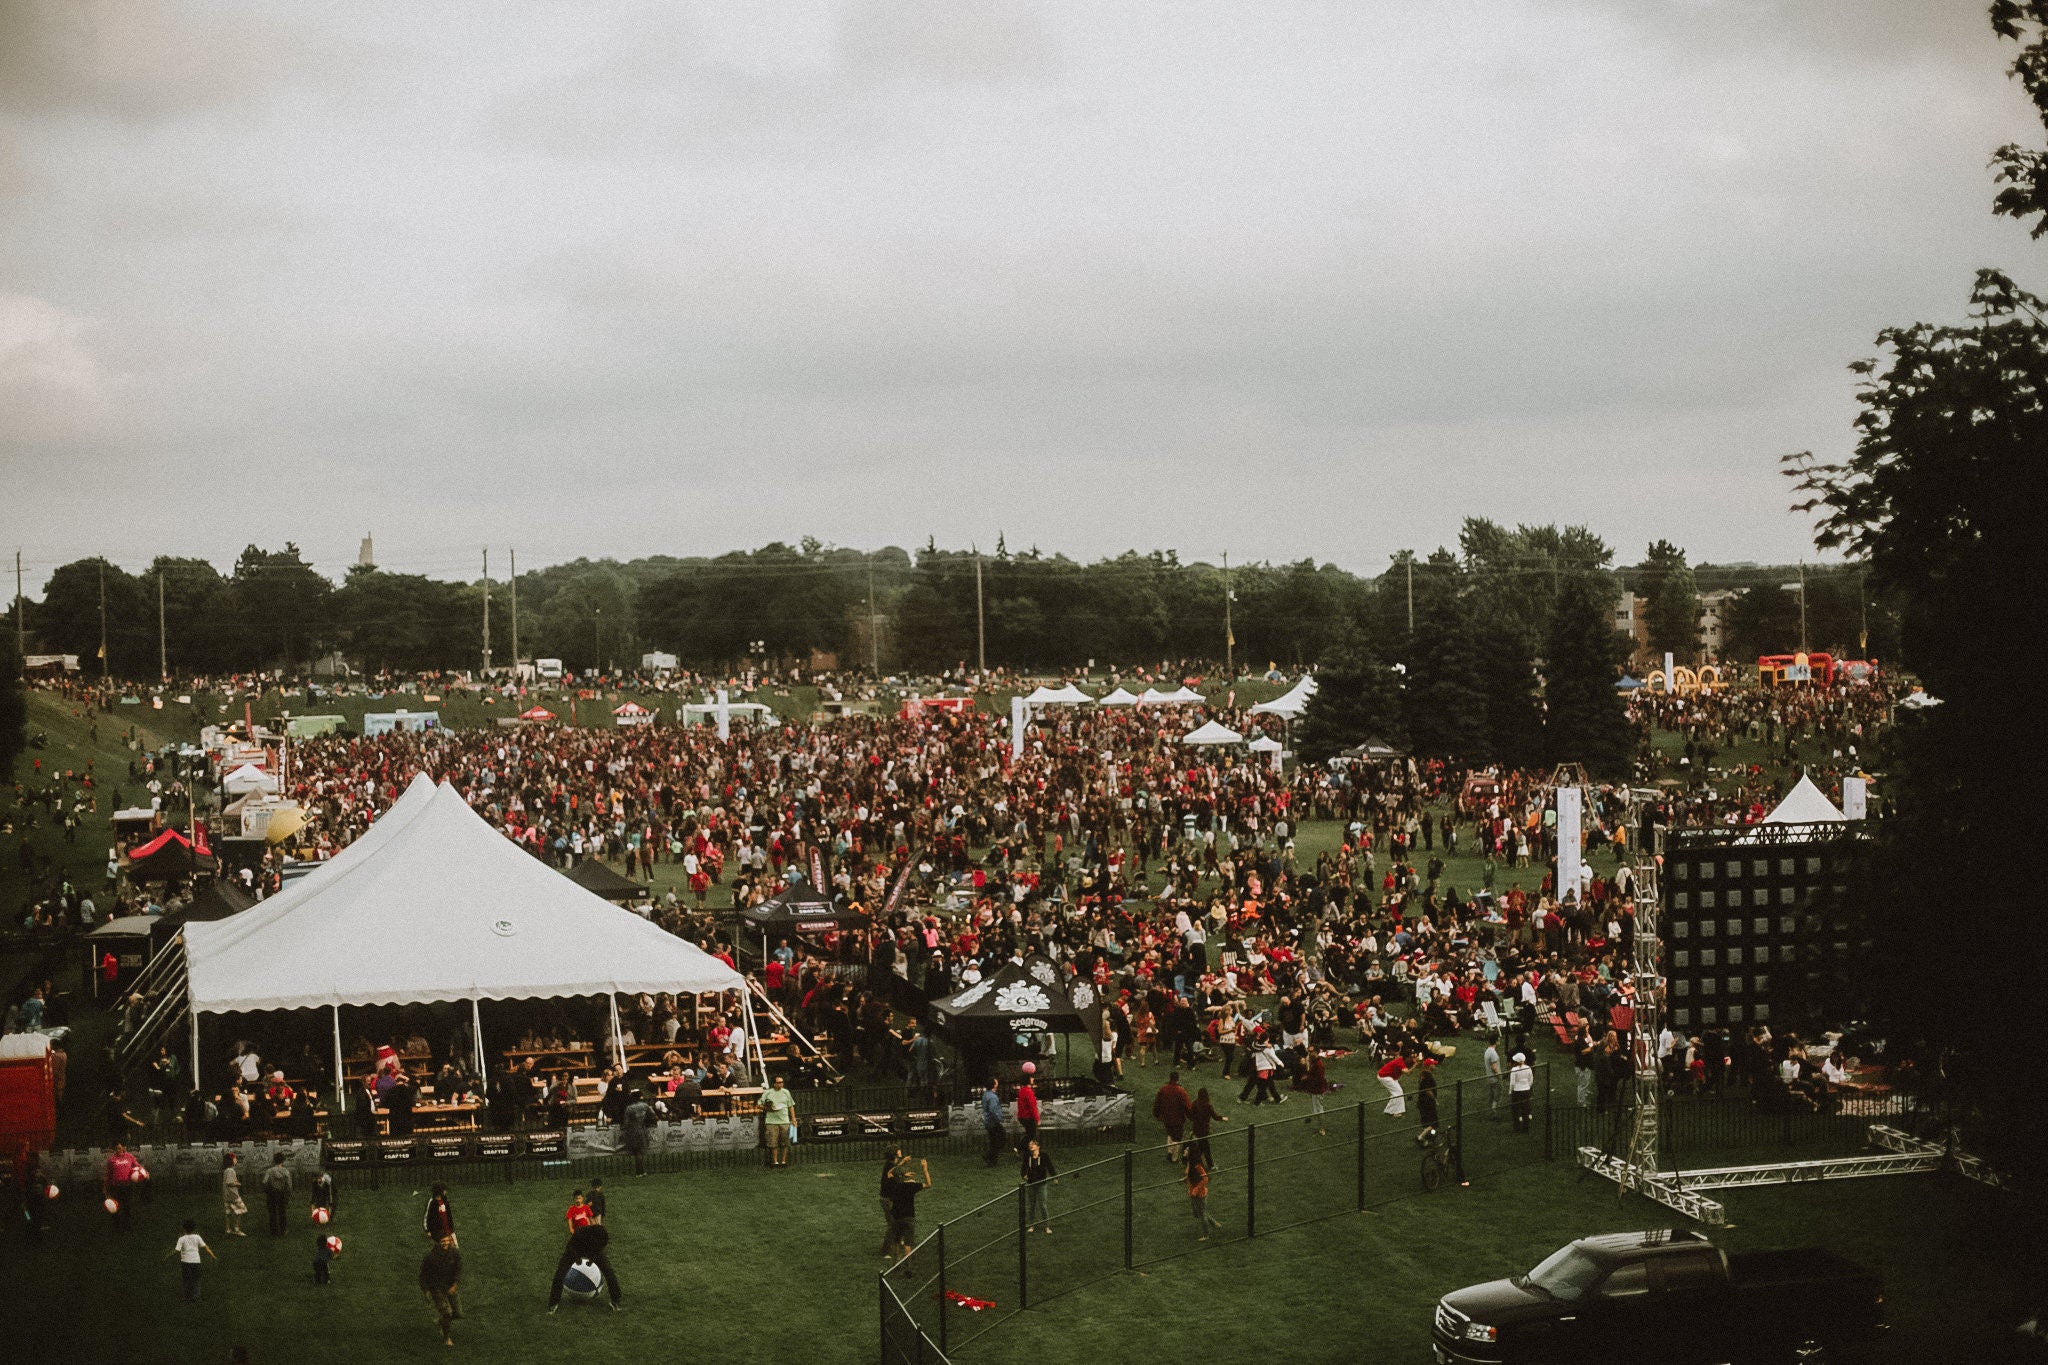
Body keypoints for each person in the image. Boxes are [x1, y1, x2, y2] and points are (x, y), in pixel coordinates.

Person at [548, 1220, 622, 1313]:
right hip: (576, 1250)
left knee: (609, 1272)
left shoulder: (600, 1239)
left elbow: (599, 1250)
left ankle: (615, 1300)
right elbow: (570, 1247)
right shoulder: (580, 1233)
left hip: (593, 1251)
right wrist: (576, 1258)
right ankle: (553, 1303)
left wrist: (592, 1259)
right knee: (560, 1274)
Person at [882, 1151, 930, 1262]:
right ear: (906, 1178)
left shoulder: (893, 1185)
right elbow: (928, 1184)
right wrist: (925, 1169)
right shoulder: (911, 1186)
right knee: (908, 1244)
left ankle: (895, 1263)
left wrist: (901, 1164)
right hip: (909, 1217)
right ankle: (908, 1265)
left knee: (896, 1241)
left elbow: (890, 1173)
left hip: (896, 1217)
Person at [419, 1232, 464, 1345]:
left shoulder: (454, 1252)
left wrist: (455, 1284)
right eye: (442, 1241)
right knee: (447, 1313)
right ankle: (446, 1338)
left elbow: (458, 1268)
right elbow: (423, 1276)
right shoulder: (430, 1256)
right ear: (437, 1242)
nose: (445, 1243)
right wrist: (426, 1291)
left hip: (450, 1287)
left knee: (458, 1313)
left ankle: (442, 1322)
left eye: (447, 1240)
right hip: (437, 1288)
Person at [164, 1218, 216, 1301]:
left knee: (186, 1279)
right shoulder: (197, 1237)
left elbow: (177, 1250)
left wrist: (168, 1256)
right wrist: (212, 1255)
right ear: (194, 1228)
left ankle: (186, 1297)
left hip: (185, 1262)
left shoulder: (181, 1239)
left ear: (184, 1228)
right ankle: (197, 1297)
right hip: (196, 1261)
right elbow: (206, 1247)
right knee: (196, 1279)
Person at [1152, 1071, 1192, 1162]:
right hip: (1178, 1119)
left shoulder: (1163, 1089)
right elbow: (1187, 1105)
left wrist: (1157, 1114)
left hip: (1166, 1118)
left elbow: (1157, 1103)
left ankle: (1169, 1153)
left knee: (1170, 1134)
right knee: (1177, 1137)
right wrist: (1191, 1116)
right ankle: (1174, 1158)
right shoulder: (1181, 1091)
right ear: (1178, 1079)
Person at [1019, 1138, 1056, 1234]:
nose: (1031, 1145)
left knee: (1042, 1205)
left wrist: (1055, 1177)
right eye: (1030, 1144)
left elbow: (1050, 1166)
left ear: (1038, 1146)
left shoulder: (1044, 1155)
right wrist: (1024, 1176)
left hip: (1041, 1184)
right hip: (1031, 1184)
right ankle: (1031, 1225)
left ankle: (1047, 1226)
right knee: (1032, 1205)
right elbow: (1023, 1169)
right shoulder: (1027, 1156)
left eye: (1033, 1144)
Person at [1184, 1149, 1222, 1240]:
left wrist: (1196, 1190)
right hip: (1192, 1192)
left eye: (1186, 1149)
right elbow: (1190, 1174)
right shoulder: (1190, 1163)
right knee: (1199, 1213)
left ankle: (1206, 1235)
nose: (1184, 1150)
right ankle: (1215, 1224)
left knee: (1201, 1214)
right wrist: (1185, 1179)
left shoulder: (1197, 1165)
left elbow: (1205, 1178)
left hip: (1199, 1194)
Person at [103, 1141, 141, 1232]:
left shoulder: (129, 1157)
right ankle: (117, 1227)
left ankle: (128, 1226)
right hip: (115, 1187)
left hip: (127, 1187)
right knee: (115, 1208)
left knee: (127, 1207)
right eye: (116, 1149)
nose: (118, 1150)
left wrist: (144, 1172)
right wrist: (105, 1187)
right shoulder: (112, 1160)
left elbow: (137, 1166)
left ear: (123, 1148)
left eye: (120, 1148)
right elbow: (107, 1175)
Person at [760, 1074, 795, 1169]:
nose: (781, 1084)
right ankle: (775, 1162)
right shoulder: (767, 1093)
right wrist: (768, 1108)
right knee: (773, 1142)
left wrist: (793, 1119)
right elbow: (759, 1104)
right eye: (779, 1082)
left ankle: (783, 1161)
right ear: (774, 1084)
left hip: (784, 1120)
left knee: (785, 1142)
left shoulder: (786, 1092)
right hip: (771, 1121)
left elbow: (791, 1106)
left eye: (782, 1082)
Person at [1188, 1087, 1227, 1168]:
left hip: (1196, 1128)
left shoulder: (1195, 1103)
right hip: (1204, 1129)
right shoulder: (1208, 1105)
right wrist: (1223, 1118)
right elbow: (1215, 1117)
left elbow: (1191, 1116)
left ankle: (1195, 1161)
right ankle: (1210, 1165)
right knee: (1206, 1148)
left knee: (1201, 1147)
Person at [620, 1090, 652, 1177]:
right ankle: (642, 1171)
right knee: (641, 1152)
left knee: (637, 1152)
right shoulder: (645, 1105)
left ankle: (639, 1172)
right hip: (642, 1129)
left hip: (633, 1131)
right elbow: (652, 1115)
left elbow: (626, 1122)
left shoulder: (629, 1108)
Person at [261, 1152, 292, 1236]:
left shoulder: (269, 1171)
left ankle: (273, 1232)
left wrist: (267, 1191)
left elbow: (264, 1182)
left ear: (274, 1160)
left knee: (272, 1213)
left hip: (271, 1193)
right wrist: (288, 1195)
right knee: (282, 1212)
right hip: (282, 1193)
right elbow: (289, 1185)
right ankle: (283, 1230)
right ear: (283, 1161)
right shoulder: (286, 1171)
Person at [220, 1151, 247, 1236]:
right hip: (233, 1194)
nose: (236, 1160)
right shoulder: (231, 1170)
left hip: (226, 1195)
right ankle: (237, 1229)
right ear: (231, 1160)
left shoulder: (226, 1170)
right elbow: (229, 1183)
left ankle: (228, 1229)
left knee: (228, 1212)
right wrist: (238, 1183)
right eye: (235, 1158)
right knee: (241, 1210)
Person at [979, 1080, 1005, 1167]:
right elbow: (993, 1109)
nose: (998, 1082)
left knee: (994, 1140)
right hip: (993, 1121)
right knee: (1000, 1138)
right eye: (996, 1082)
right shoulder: (992, 1097)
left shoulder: (986, 1094)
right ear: (994, 1085)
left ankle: (991, 1159)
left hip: (988, 1121)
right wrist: (998, 1118)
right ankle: (989, 1156)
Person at [1014, 1068, 1041, 1150]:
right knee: (1031, 1134)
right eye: (1031, 1077)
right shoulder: (1028, 1091)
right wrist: (1037, 1118)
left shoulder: (1022, 1090)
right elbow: (1032, 1106)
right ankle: (1019, 1148)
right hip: (1028, 1117)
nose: (1033, 1079)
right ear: (1028, 1080)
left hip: (1022, 1116)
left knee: (1029, 1133)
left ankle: (1026, 1150)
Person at [1377, 1051, 1410, 1117]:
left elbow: (1407, 1071)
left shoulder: (1401, 1060)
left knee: (1397, 1092)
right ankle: (1396, 1112)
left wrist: (1414, 1065)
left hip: (1388, 1076)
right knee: (1398, 1092)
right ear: (1406, 1058)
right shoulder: (1400, 1062)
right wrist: (1415, 1065)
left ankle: (1389, 1110)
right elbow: (1406, 1072)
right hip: (1384, 1076)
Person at [1508, 1051, 1535, 1133]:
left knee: (1515, 1110)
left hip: (1517, 1091)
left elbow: (1512, 1082)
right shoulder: (1528, 1068)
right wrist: (1527, 1087)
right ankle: (1525, 1128)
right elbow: (1531, 1080)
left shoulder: (1514, 1070)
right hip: (1526, 1091)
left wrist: (1510, 1090)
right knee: (1525, 1109)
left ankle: (1517, 1127)